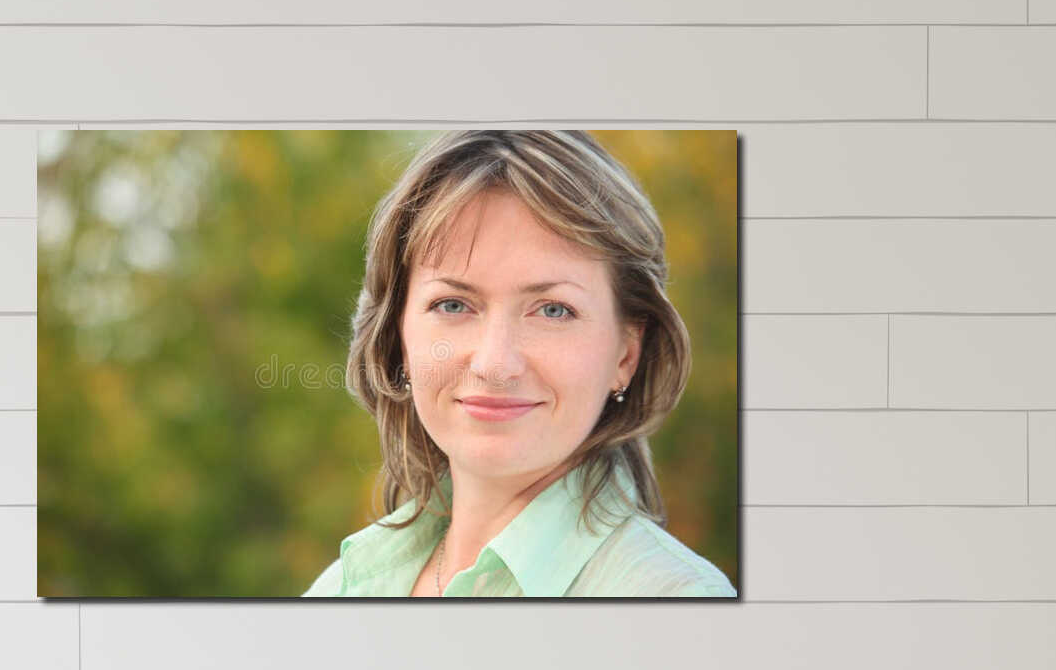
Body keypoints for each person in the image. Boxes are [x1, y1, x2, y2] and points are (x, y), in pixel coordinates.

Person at [304, 129, 734, 599]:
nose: (494, 364)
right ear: (397, 341)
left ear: (626, 355)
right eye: (453, 305)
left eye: (553, 310)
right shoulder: (344, 587)